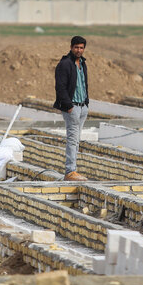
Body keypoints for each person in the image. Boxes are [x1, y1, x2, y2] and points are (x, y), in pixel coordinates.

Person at [54, 35, 90, 181]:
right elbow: (60, 87)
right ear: (71, 47)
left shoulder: (82, 64)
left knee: (77, 140)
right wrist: (68, 106)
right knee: (72, 139)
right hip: (72, 107)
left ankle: (73, 170)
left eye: (81, 48)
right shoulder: (65, 64)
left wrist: (86, 103)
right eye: (76, 47)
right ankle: (70, 171)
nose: (79, 50)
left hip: (82, 107)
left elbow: (84, 84)